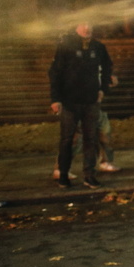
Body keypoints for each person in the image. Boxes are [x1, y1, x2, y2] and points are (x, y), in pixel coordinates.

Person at [48, 22, 114, 189]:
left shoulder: (98, 47)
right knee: (67, 139)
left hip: (91, 101)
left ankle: (89, 175)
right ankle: (63, 175)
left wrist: (103, 89)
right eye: (82, 24)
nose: (87, 28)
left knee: (90, 139)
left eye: (89, 24)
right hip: (69, 101)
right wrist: (55, 99)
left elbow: (107, 67)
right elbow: (55, 72)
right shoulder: (66, 45)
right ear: (76, 26)